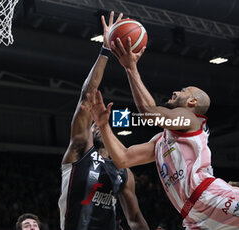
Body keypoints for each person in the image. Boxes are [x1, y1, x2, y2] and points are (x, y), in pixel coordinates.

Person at [86, 36, 239, 229]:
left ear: (193, 102)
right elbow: (124, 157)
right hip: (193, 215)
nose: (177, 90)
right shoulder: (161, 140)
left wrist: (130, 67)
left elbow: (149, 114)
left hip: (211, 197)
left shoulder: (191, 120)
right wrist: (104, 127)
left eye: (184, 90)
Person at [58, 12, 149, 230]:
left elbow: (135, 219)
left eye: (100, 125)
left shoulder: (123, 171)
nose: (95, 126)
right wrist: (106, 49)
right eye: (93, 124)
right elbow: (87, 96)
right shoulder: (80, 152)